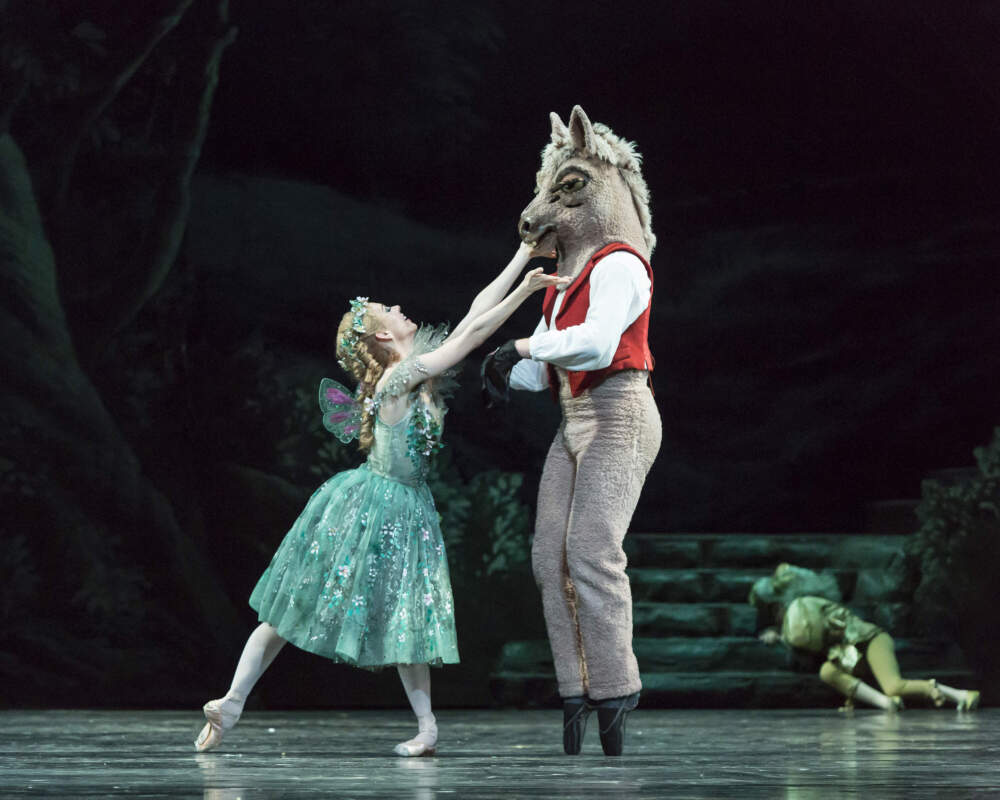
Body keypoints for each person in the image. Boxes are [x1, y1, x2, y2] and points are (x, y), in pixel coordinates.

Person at [194, 242, 566, 756]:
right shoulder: (399, 378)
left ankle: (427, 727)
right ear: (383, 336)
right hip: (370, 506)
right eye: (386, 311)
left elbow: (472, 319)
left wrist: (523, 256)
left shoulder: (415, 369)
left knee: (407, 617)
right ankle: (233, 700)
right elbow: (474, 335)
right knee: (291, 606)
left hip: (406, 507)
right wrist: (526, 288)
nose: (397, 309)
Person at [481, 106, 660, 756]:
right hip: (576, 418)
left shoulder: (621, 265)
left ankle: (614, 689)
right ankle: (573, 689)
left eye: (568, 188)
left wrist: (522, 349)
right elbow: (556, 367)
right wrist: (510, 372)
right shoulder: (564, 285)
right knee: (546, 555)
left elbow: (599, 344)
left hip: (620, 411)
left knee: (590, 549)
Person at [752, 578, 980, 712]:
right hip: (851, 656)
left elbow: (807, 634)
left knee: (893, 685)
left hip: (870, 640)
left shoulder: (803, 606)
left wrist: (781, 637)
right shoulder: (796, 618)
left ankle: (961, 695)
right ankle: (886, 703)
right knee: (826, 670)